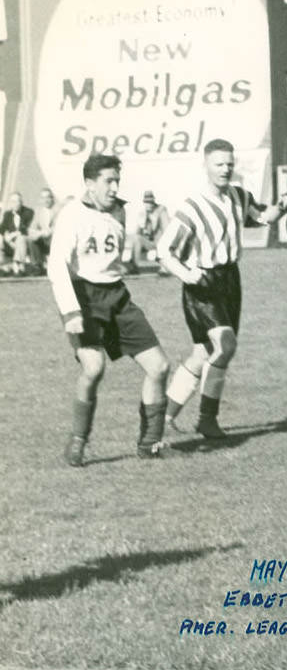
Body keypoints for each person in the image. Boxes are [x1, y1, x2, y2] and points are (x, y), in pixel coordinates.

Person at [156, 138, 287, 438]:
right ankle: (207, 419)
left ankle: (162, 417)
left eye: (230, 163)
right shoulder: (193, 207)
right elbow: (164, 249)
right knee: (226, 345)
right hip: (203, 284)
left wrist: (281, 208)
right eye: (219, 164)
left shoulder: (238, 197)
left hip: (231, 281)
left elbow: (261, 217)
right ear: (205, 165)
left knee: (202, 354)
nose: (225, 169)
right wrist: (186, 274)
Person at [47, 154, 171, 466]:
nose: (114, 187)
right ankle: (78, 440)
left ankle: (150, 442)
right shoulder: (71, 215)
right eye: (108, 181)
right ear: (89, 184)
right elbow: (56, 266)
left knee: (159, 367)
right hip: (84, 297)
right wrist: (71, 311)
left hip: (117, 295)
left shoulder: (120, 210)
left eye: (117, 180)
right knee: (93, 368)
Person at [122, 190, 170, 274]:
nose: (149, 204)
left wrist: (155, 219)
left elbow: (167, 231)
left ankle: (165, 267)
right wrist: (141, 225)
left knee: (165, 240)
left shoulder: (161, 210)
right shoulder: (143, 213)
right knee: (135, 238)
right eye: (147, 202)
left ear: (154, 201)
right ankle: (134, 266)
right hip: (150, 242)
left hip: (161, 242)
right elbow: (137, 234)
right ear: (144, 203)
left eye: (151, 202)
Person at [1, 192, 34, 275]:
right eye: (13, 202)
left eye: (17, 201)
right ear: (10, 203)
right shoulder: (7, 214)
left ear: (21, 202)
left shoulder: (29, 212)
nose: (15, 204)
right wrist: (6, 236)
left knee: (21, 239)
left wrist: (13, 234)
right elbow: (2, 228)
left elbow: (27, 228)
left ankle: (17, 265)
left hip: (24, 242)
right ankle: (10, 267)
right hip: (10, 243)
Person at [28, 187, 58, 270]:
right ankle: (37, 266)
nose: (46, 200)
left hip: (56, 239)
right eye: (43, 198)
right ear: (40, 200)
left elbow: (59, 227)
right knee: (31, 239)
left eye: (48, 197)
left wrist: (48, 232)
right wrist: (38, 233)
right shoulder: (38, 212)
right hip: (44, 240)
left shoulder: (58, 211)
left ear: (52, 199)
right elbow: (32, 229)